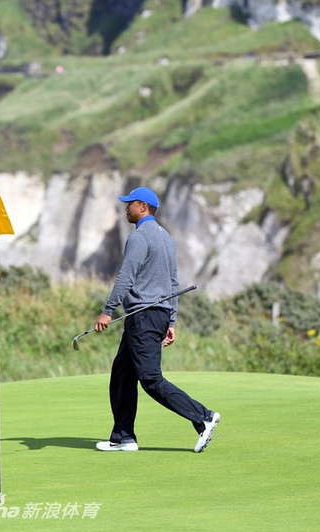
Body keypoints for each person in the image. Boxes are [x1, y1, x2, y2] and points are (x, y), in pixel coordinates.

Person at [94, 186, 220, 453]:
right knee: (122, 375)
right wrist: (171, 321)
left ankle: (203, 417)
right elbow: (173, 283)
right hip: (156, 315)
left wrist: (108, 310)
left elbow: (126, 277)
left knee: (150, 378)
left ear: (142, 206)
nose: (126, 208)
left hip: (143, 316)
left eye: (129, 204)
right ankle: (124, 437)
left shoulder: (139, 236)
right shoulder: (166, 237)